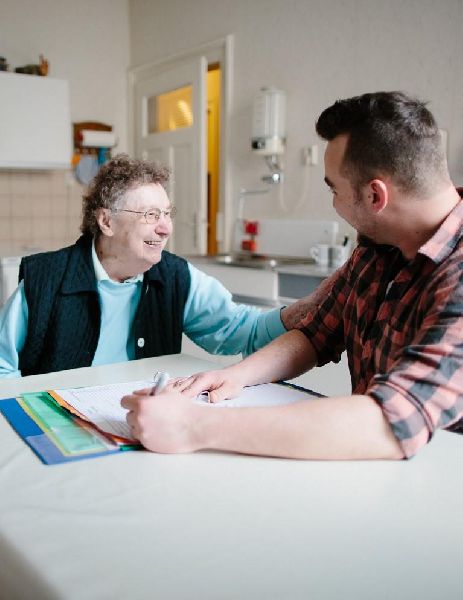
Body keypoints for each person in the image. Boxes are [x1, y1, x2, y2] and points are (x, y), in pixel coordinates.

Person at [122, 91, 463, 461]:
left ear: (375, 196)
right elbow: (315, 334)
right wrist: (235, 376)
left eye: (334, 189)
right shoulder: (378, 247)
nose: (334, 203)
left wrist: (191, 426)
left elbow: (392, 422)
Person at [0, 154, 307, 378]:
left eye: (167, 214)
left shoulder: (175, 276)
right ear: (106, 221)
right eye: (150, 215)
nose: (165, 228)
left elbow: (240, 329)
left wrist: (292, 314)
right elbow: (3, 368)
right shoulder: (46, 280)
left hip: (140, 418)